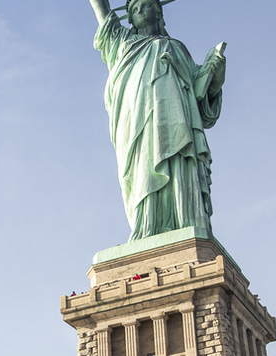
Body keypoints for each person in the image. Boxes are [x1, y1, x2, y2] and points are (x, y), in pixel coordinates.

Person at [89, 0, 227, 241]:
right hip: (137, 124)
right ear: (129, 18)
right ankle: (147, 225)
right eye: (134, 9)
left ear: (159, 11)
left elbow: (201, 100)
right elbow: (101, 9)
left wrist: (214, 76)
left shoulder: (177, 48)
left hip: (177, 124)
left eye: (146, 4)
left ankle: (187, 220)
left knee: (180, 160)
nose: (140, 10)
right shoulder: (122, 43)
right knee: (144, 167)